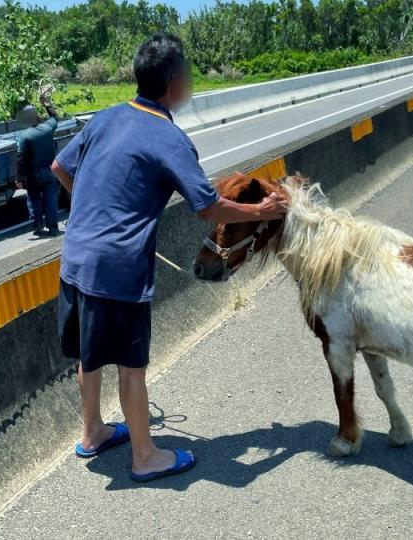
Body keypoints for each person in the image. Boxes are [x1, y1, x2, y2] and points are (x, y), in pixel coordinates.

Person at [51, 32, 287, 482]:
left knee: (90, 353)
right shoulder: (168, 137)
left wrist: (94, 213)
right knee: (131, 365)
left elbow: (60, 169)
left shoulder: (106, 117)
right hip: (118, 268)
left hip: (76, 258)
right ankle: (145, 457)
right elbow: (208, 208)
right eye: (189, 76)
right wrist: (260, 210)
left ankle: (93, 433)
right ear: (174, 82)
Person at [17, 90, 61, 237]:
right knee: (51, 199)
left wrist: (19, 178)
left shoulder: (25, 137)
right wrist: (46, 103)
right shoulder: (48, 128)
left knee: (33, 198)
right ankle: (53, 228)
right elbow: (54, 116)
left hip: (33, 174)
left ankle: (37, 226)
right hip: (49, 171)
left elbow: (21, 159)